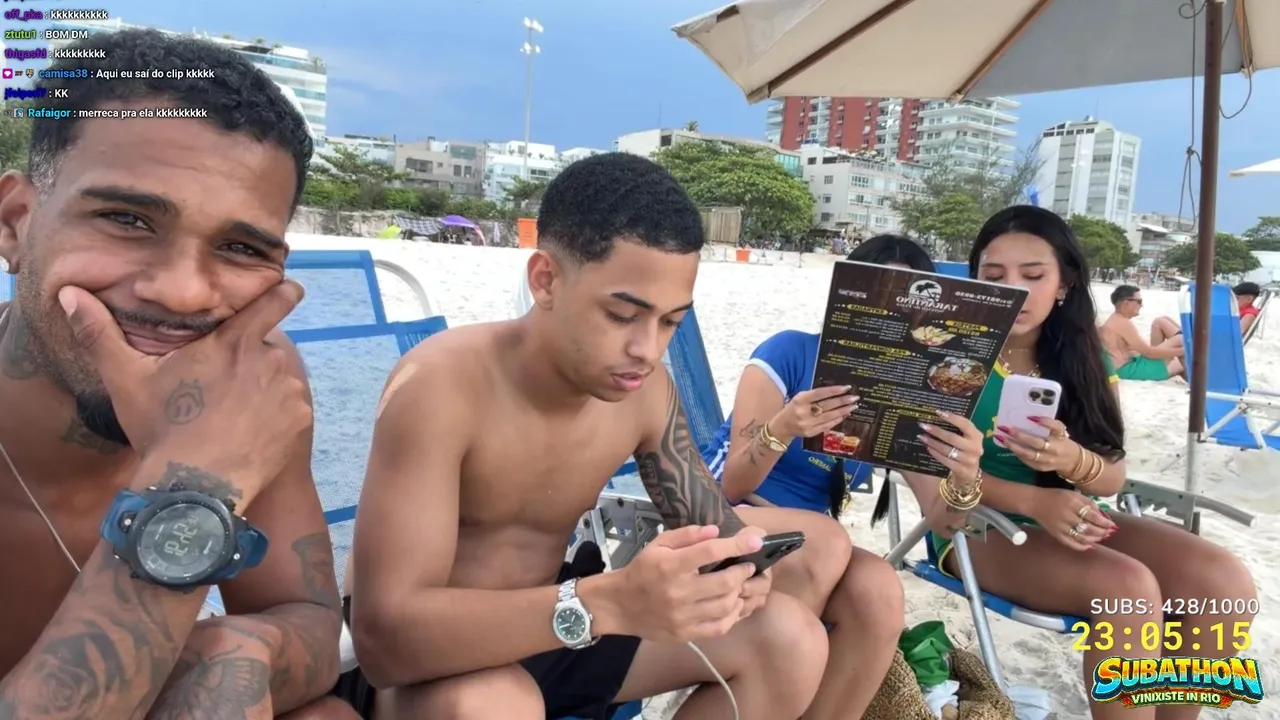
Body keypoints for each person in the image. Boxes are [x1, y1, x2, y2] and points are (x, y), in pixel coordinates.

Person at [342, 153, 837, 720]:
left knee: (790, 639)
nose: (647, 350)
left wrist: (737, 571)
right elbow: (384, 640)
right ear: (546, 280)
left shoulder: (646, 393)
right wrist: (610, 601)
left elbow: (711, 524)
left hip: (560, 624)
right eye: (622, 315)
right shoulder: (441, 387)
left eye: (671, 322)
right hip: (433, 656)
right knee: (495, 705)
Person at [0, 30, 355, 719]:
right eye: (126, 219)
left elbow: (304, 613)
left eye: (240, 247)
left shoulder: (249, 381)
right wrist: (193, 488)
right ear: (16, 223)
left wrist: (234, 652)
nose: (183, 293)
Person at [941, 206, 1255, 720]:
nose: (1013, 289)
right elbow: (929, 474)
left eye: (1033, 275)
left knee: (1222, 583)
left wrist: (1072, 459)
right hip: (972, 526)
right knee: (1126, 589)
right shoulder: (949, 355)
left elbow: (1111, 478)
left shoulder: (1083, 357)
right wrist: (1034, 501)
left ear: (1063, 285)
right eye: (993, 277)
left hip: (1072, 514)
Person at [700, 234, 985, 719]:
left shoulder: (908, 393)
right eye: (882, 299)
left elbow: (942, 521)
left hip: (806, 546)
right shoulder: (790, 353)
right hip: (724, 512)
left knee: (880, 590)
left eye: (910, 307)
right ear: (848, 298)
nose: (894, 316)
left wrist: (964, 475)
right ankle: (761, 687)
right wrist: (784, 427)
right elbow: (732, 485)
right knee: (828, 540)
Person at [1098, 285, 1184, 381]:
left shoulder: (1116, 319)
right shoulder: (1122, 323)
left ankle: (1190, 342)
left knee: (1160, 321)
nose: (1141, 305)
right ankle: (1192, 350)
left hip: (1129, 364)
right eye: (1139, 301)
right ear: (1126, 303)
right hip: (1128, 370)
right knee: (1179, 341)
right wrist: (1183, 351)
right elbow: (1149, 353)